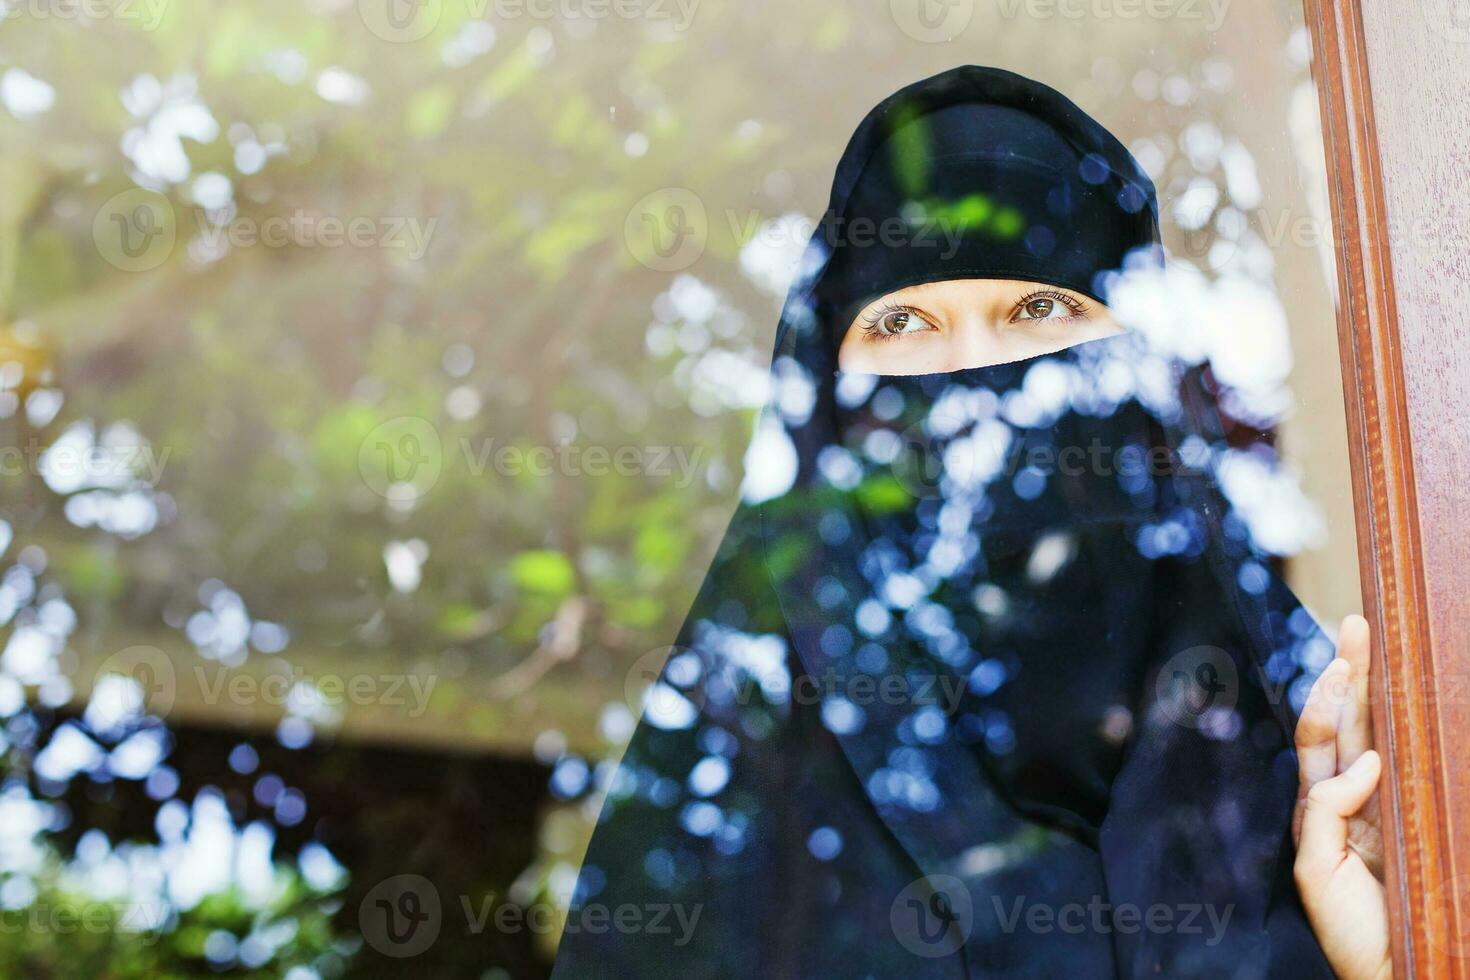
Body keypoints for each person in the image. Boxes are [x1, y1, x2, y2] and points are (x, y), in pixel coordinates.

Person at [552, 66, 1389, 978]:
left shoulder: (1302, 797)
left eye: (1039, 309)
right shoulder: (728, 815)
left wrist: (1387, 966)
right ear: (828, 405)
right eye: (906, 321)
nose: (978, 380)